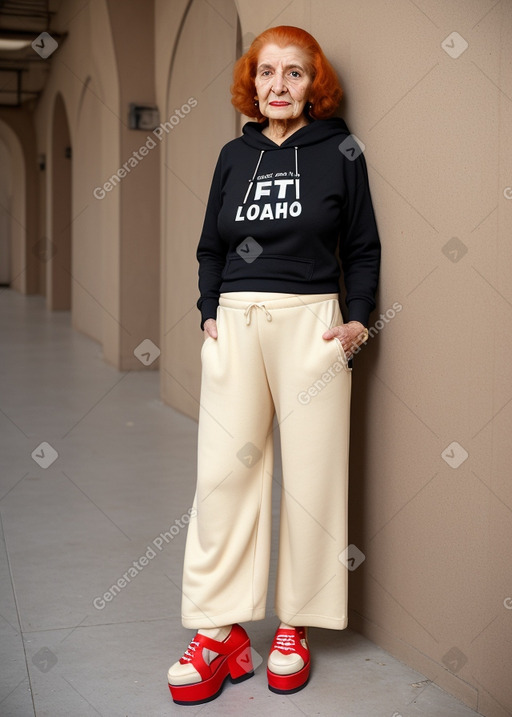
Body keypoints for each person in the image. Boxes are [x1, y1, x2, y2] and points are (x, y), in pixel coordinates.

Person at [167, 25, 380, 706]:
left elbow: (364, 245)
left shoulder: (340, 149)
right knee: (223, 478)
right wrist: (208, 310)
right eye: (266, 73)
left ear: (314, 83)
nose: (279, 86)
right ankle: (218, 631)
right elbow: (209, 246)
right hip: (236, 323)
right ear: (251, 82)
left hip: (312, 325)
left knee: (315, 478)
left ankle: (294, 626)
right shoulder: (235, 154)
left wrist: (357, 318)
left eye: (294, 73)